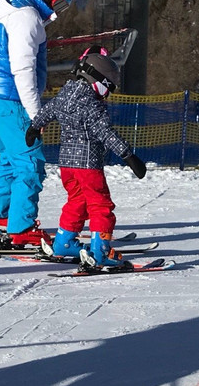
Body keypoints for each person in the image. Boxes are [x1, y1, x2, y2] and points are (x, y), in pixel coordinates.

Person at [0, 0, 73, 249]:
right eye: (60, 2)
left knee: (10, 157)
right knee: (30, 163)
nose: (58, 10)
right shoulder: (26, 17)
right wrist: (35, 115)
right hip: (11, 98)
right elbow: (23, 69)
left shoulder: (8, 7)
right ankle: (22, 227)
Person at [25, 49, 146, 269]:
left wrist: (34, 127)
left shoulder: (65, 94)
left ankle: (64, 243)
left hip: (66, 165)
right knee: (100, 205)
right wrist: (129, 156)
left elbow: (48, 110)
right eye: (108, 87)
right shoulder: (92, 104)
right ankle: (100, 252)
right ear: (97, 80)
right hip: (88, 164)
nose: (107, 94)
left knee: (77, 201)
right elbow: (106, 133)